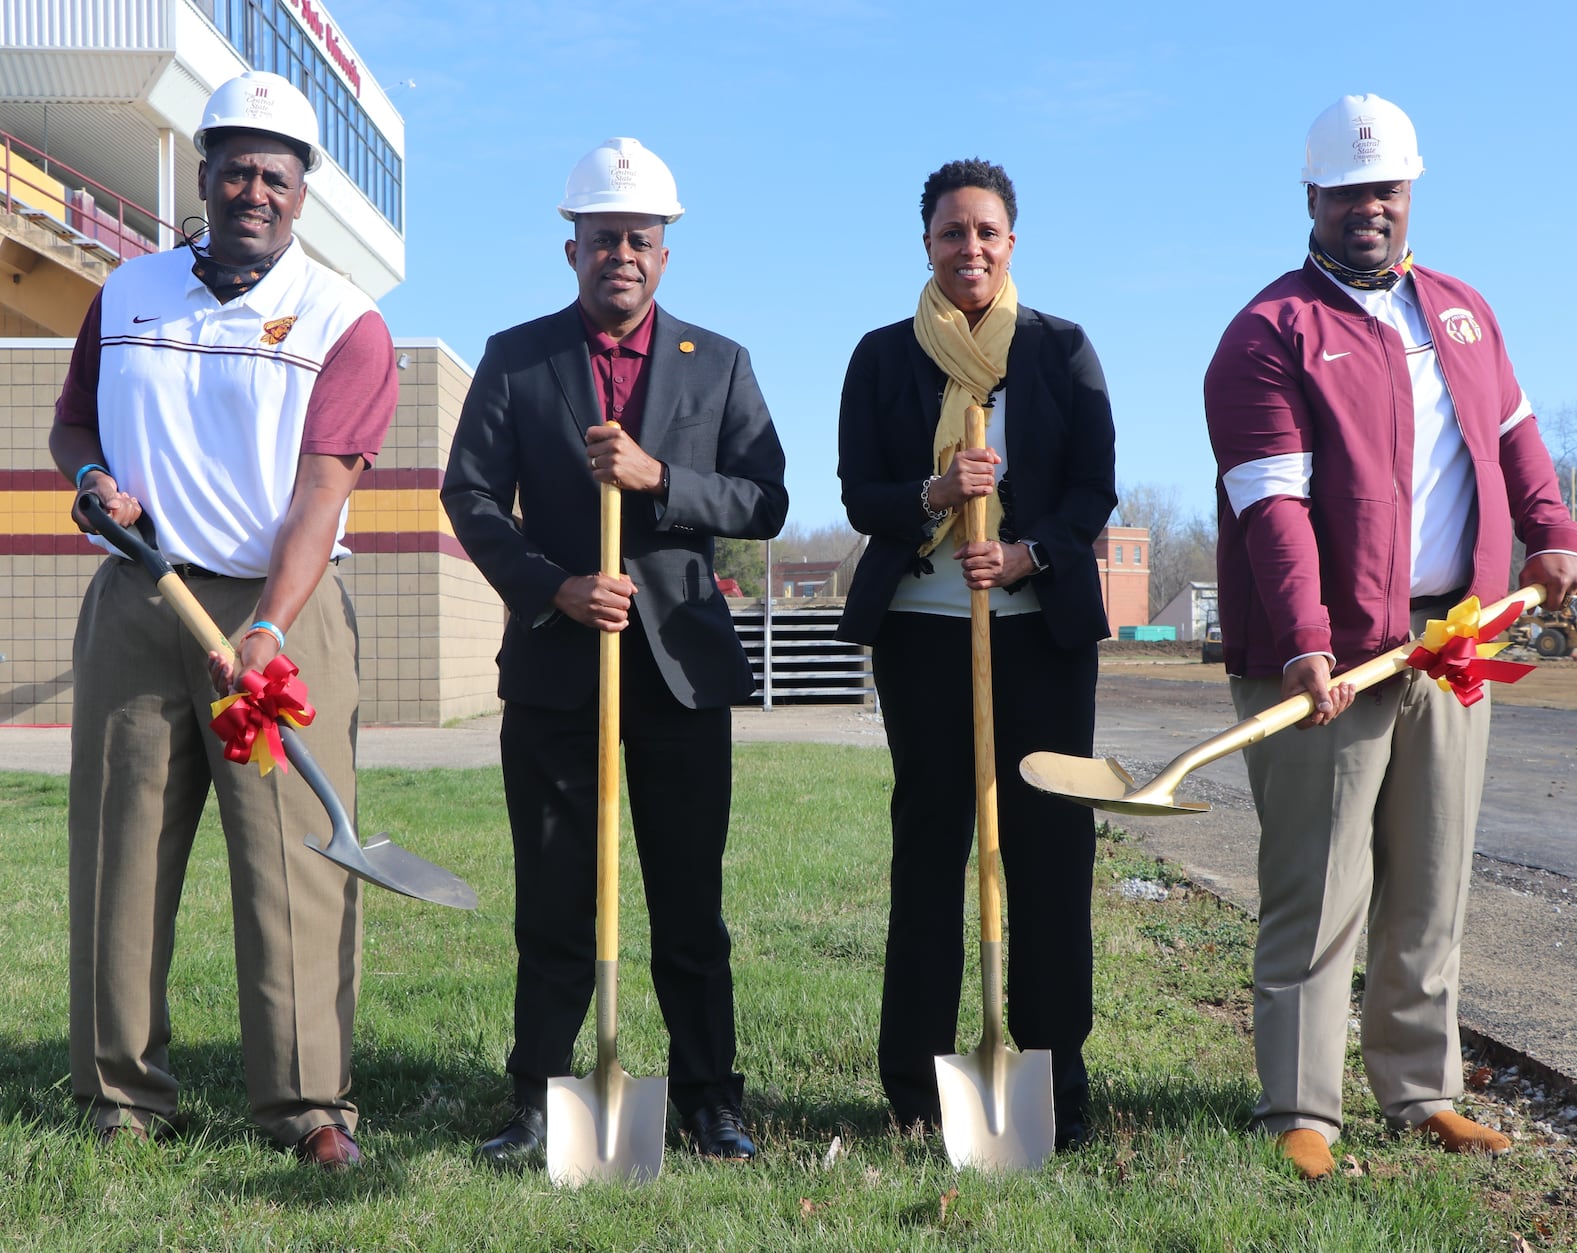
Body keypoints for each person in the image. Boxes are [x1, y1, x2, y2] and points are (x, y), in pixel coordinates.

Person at [1205, 93, 1577, 1181]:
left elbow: (1513, 435)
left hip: (1453, 641)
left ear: (1409, 191)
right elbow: (1270, 504)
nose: (1368, 207)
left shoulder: (1461, 310)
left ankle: (1422, 1088)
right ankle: (1301, 1105)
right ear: (1311, 197)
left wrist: (1552, 532)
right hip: (1328, 656)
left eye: (1386, 188)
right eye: (1346, 190)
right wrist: (1303, 639)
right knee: (1320, 886)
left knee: (1430, 883)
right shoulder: (1269, 331)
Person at [48, 70, 398, 1168]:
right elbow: (71, 428)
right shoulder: (128, 291)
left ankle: (306, 1107)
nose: (255, 190)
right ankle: (121, 1093)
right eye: (236, 168)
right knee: (122, 846)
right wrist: (99, 477)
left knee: (291, 856)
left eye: (276, 175)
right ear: (204, 175)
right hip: (141, 600)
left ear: (305, 192)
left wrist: (272, 627)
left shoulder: (345, 321)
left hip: (274, 611)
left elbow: (321, 491)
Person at [441, 137, 787, 1168]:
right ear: (572, 248)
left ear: (665, 252)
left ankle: (710, 1097)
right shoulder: (518, 357)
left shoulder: (718, 363)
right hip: (557, 664)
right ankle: (541, 1095)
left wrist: (656, 477)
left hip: (679, 669)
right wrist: (552, 583)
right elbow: (467, 494)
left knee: (689, 900)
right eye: (602, 238)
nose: (621, 253)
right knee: (554, 894)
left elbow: (764, 498)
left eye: (639, 237)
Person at [836, 158, 1117, 1149]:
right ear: (926, 242)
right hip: (921, 634)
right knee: (929, 850)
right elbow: (857, 493)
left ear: (1011, 241)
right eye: (952, 232)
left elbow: (1094, 489)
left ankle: (1051, 1081)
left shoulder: (1060, 349)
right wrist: (933, 493)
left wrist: (1030, 550)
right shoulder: (880, 358)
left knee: (1048, 854)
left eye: (987, 232)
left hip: (1038, 639)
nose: (970, 249)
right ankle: (915, 1090)